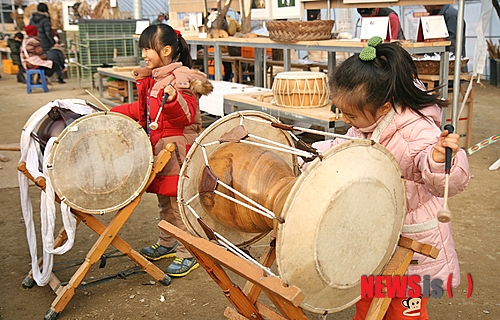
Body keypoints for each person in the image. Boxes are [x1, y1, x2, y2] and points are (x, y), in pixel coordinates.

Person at [310, 36, 470, 319]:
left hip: (413, 243)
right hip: (378, 235)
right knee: (368, 302)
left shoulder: (419, 131)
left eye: (350, 115)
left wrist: (437, 159)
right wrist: (311, 156)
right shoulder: (365, 125)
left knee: (402, 311)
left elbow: (449, 181)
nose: (346, 120)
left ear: (384, 107)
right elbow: (343, 147)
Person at [111, 24, 213, 277]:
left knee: (179, 205)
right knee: (164, 202)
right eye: (143, 49)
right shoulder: (157, 77)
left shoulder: (181, 79)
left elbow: (186, 116)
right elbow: (145, 112)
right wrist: (112, 114)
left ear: (166, 50)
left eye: (148, 49)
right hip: (161, 149)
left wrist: (173, 100)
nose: (144, 54)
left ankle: (190, 252)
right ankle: (167, 243)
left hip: (177, 150)